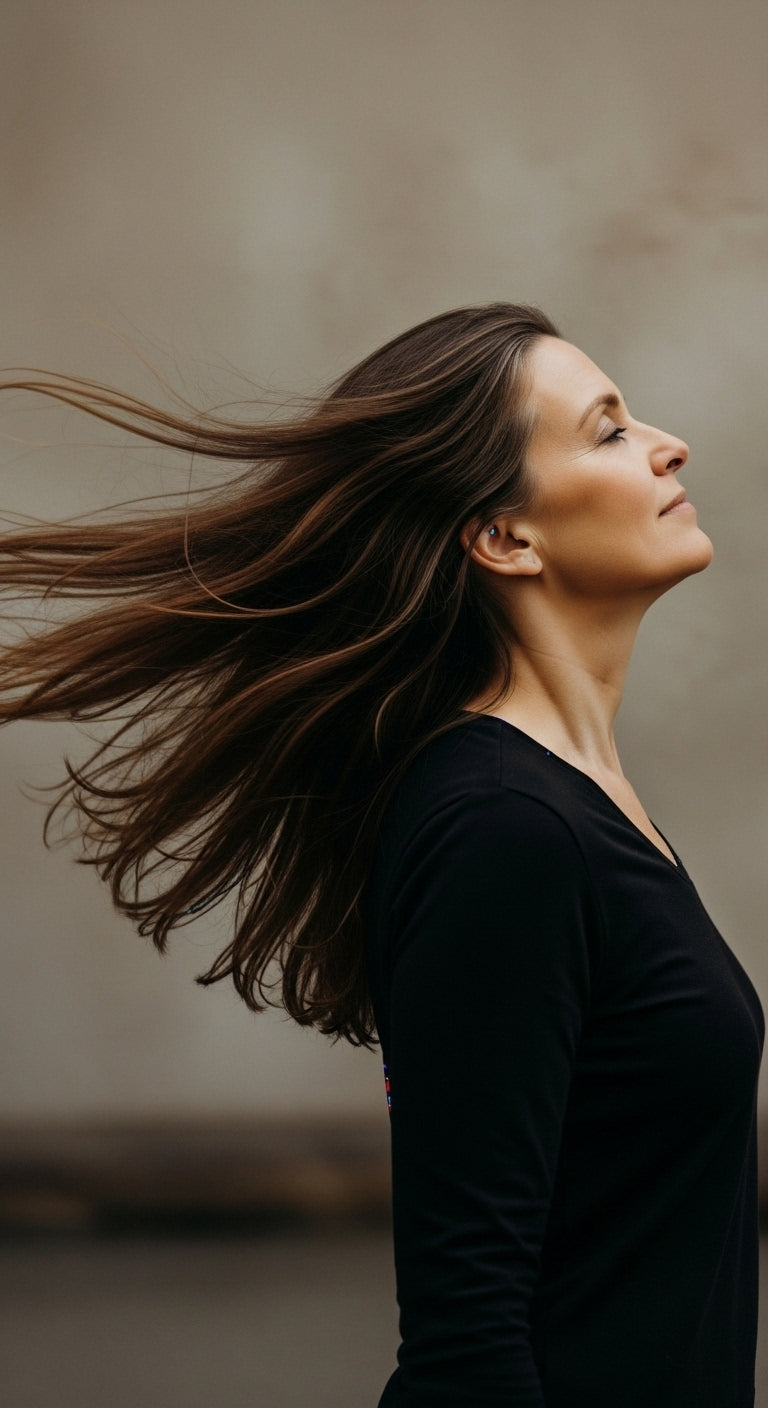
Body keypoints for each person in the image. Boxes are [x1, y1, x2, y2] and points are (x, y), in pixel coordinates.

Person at [0, 303, 762, 1405]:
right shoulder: (506, 827)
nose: (667, 440)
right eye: (607, 429)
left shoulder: (578, 803)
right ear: (505, 536)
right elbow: (467, 1338)